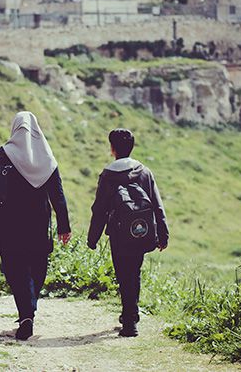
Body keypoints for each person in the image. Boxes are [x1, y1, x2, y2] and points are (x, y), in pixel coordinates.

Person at [0, 111, 71, 341]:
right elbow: (58, 196)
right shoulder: (47, 160)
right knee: (37, 269)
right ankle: (29, 311)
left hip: (9, 225)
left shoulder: (1, 154)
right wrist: (64, 227)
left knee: (15, 269)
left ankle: (25, 314)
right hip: (38, 225)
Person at [87, 128, 169, 338]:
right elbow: (157, 204)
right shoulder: (144, 172)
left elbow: (100, 209)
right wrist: (163, 233)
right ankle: (131, 316)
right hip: (141, 231)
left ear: (112, 149)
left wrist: (93, 237)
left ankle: (130, 321)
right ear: (132, 147)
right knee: (134, 272)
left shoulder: (107, 175)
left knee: (124, 275)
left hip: (118, 234)